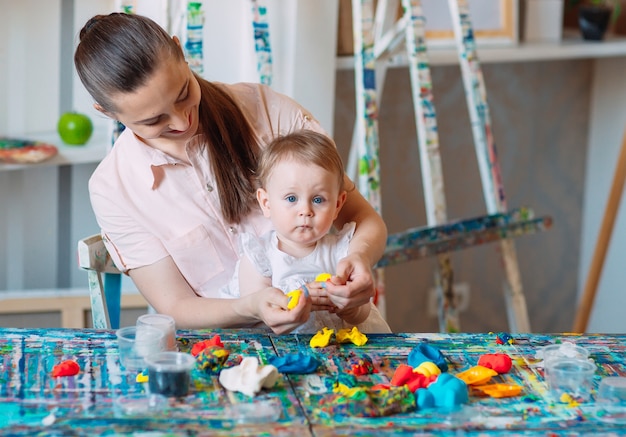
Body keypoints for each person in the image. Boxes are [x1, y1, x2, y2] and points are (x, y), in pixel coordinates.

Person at [74, 12, 388, 334]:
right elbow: (175, 307)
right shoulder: (113, 189)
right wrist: (249, 305)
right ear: (108, 113)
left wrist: (361, 259)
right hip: (226, 352)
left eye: (184, 93)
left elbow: (360, 216)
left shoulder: (265, 110)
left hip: (341, 334)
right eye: (154, 121)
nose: (183, 122)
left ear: (180, 51)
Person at [223, 130, 390, 333]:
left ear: (338, 205)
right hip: (283, 354)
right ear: (266, 203)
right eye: (291, 198)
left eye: (318, 200)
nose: (306, 211)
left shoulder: (342, 253)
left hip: (343, 351)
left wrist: (348, 305)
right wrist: (299, 299)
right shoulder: (260, 257)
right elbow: (258, 318)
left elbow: (362, 314)